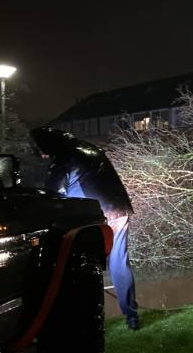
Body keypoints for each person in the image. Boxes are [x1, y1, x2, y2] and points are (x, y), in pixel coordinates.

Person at [31, 127, 140, 329]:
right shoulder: (89, 148)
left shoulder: (64, 157)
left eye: (43, 151)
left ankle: (84, 321)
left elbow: (52, 192)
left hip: (97, 215)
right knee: (119, 262)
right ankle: (132, 317)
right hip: (120, 209)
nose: (44, 156)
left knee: (81, 267)